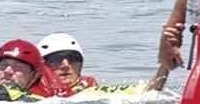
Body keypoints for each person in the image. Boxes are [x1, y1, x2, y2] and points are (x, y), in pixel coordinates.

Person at [34, 32, 171, 96]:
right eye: (56, 59)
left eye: (72, 57)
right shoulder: (28, 94)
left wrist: (165, 65)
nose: (65, 64)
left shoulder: (88, 91)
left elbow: (148, 90)